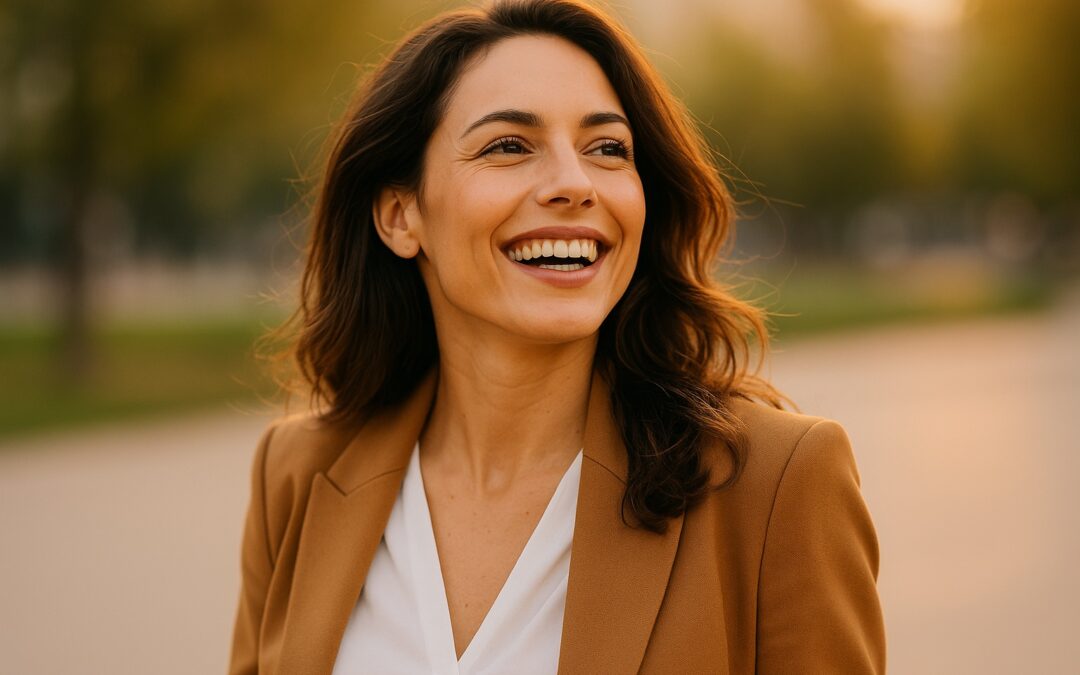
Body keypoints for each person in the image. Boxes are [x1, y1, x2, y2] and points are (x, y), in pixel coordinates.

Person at [228, 0, 886, 672]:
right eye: (509, 145)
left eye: (607, 148)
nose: (575, 184)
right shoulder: (295, 475)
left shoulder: (779, 484)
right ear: (401, 215)